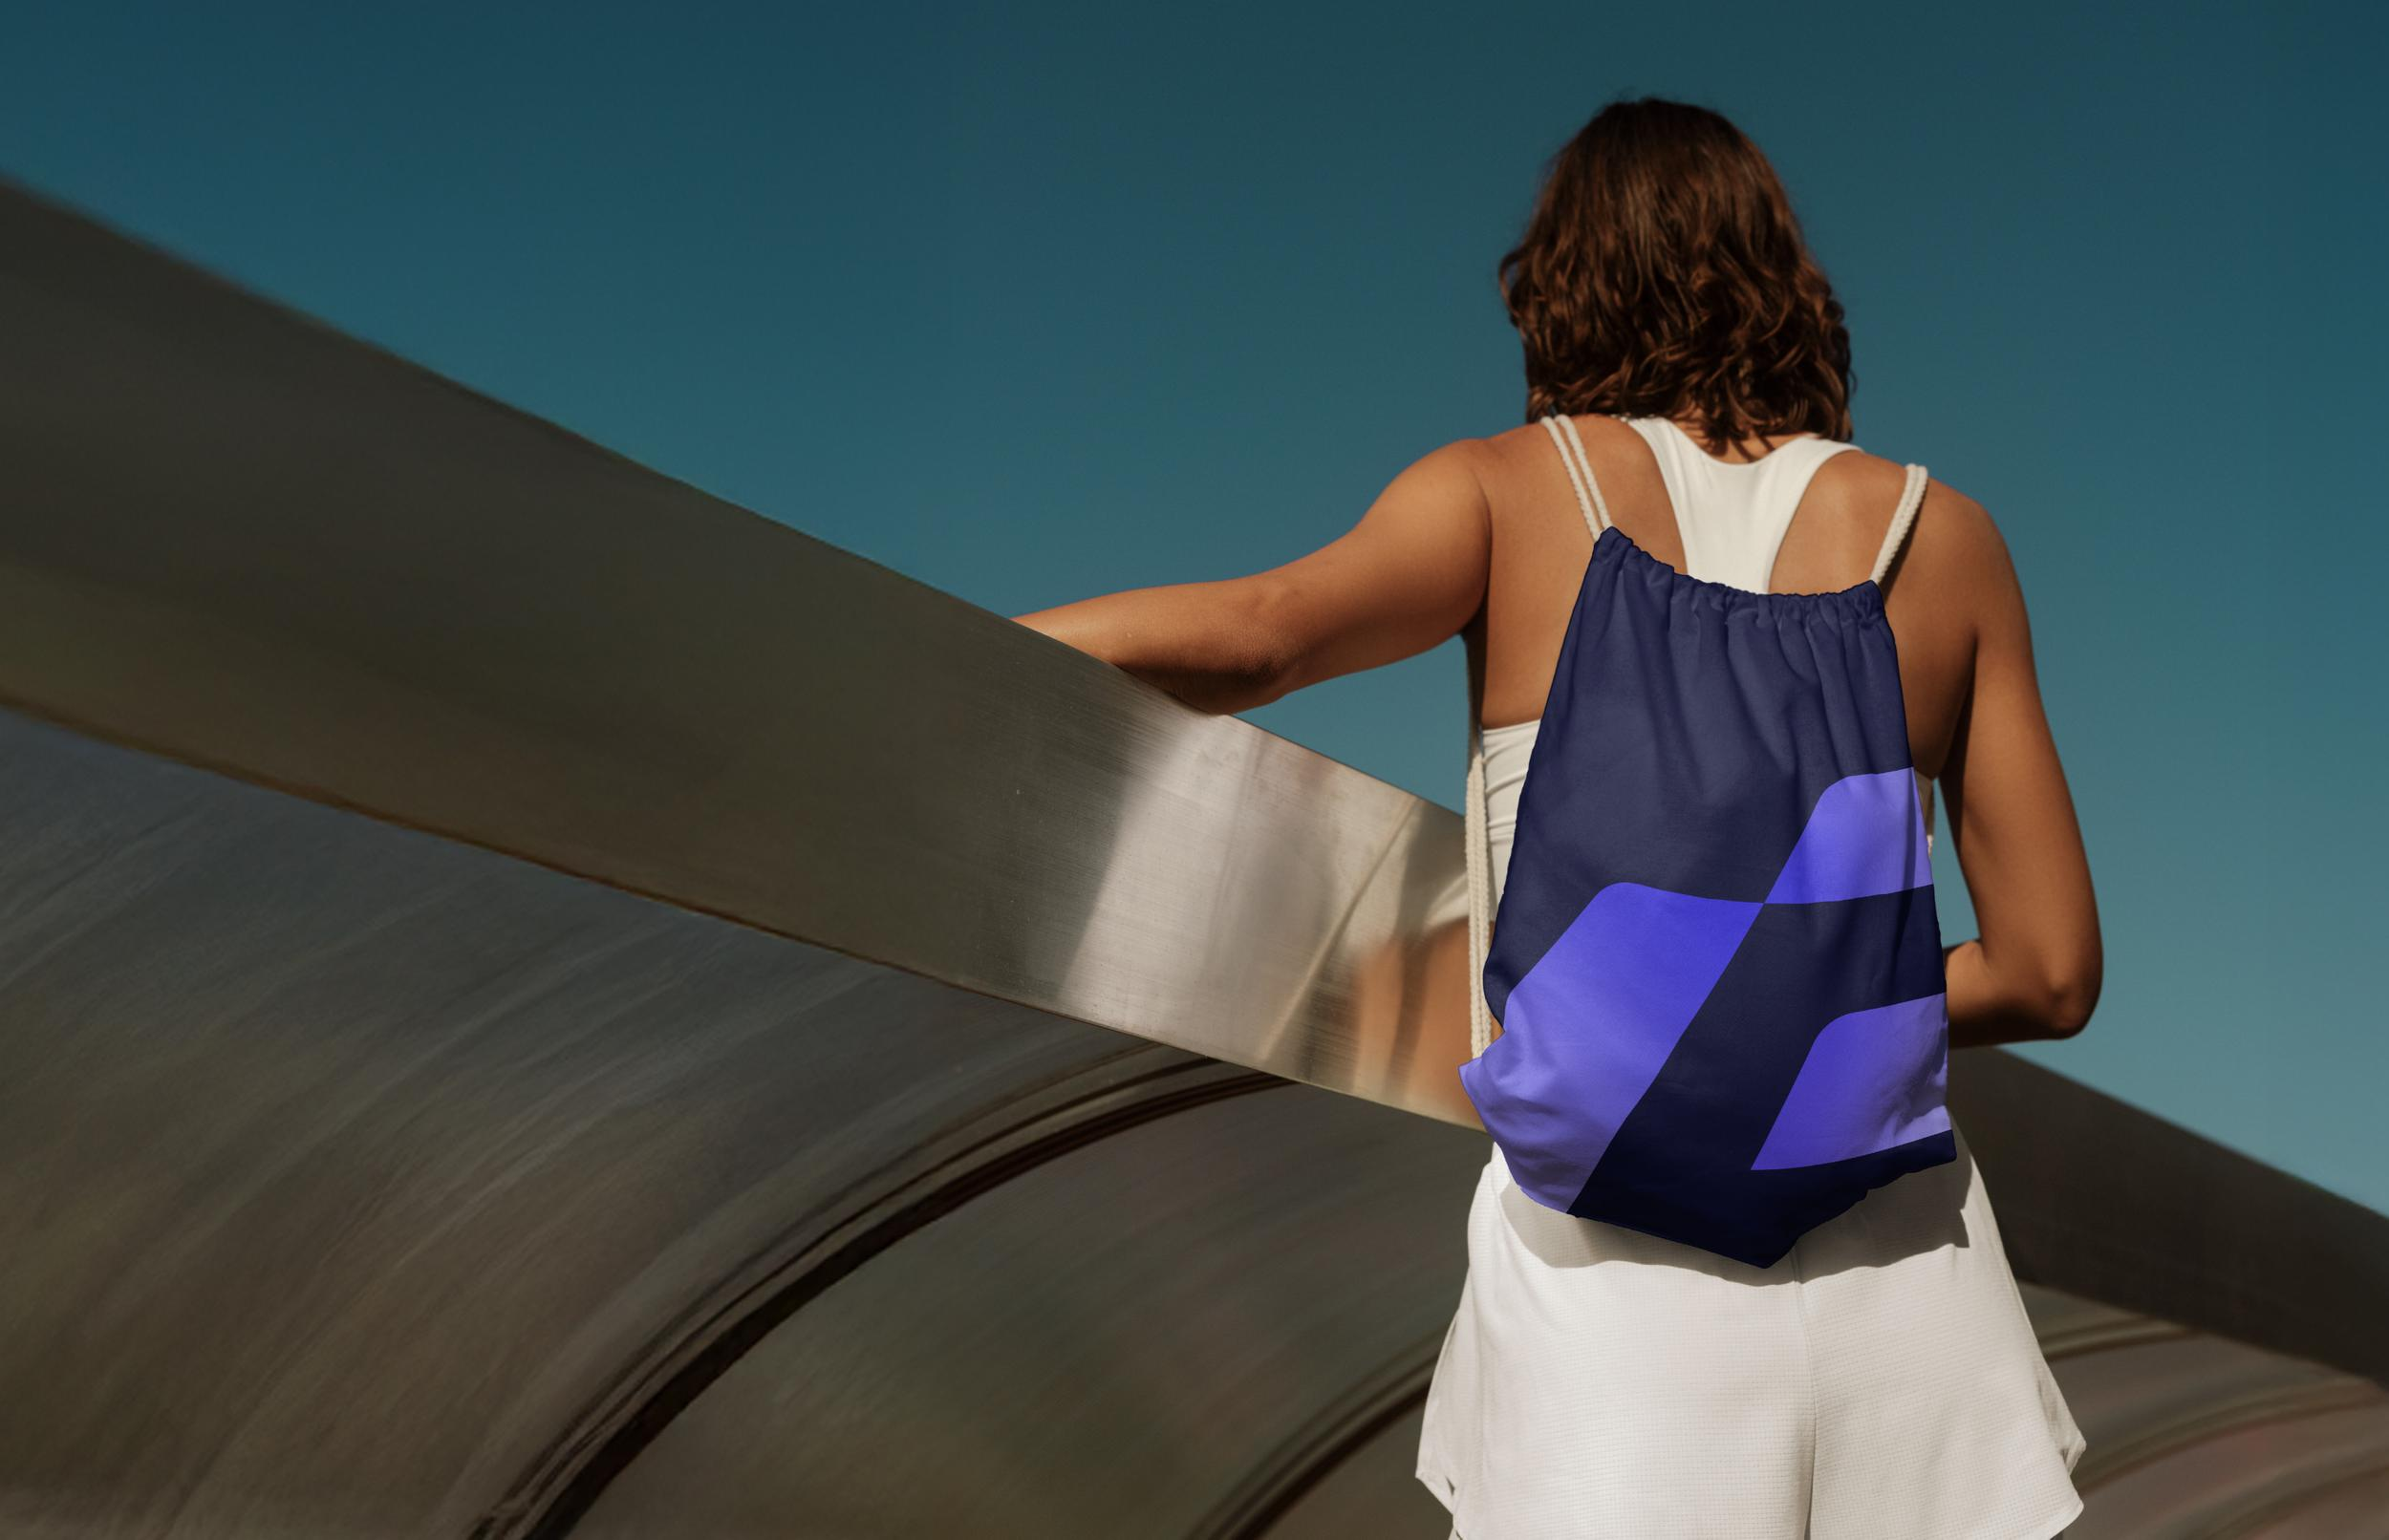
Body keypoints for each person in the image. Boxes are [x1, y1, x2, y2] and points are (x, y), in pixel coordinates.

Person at [1015, 95, 2098, 1540]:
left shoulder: (1510, 493)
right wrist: (1814, 998)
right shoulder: (1941, 539)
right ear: (1785, 283)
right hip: (1911, 1316)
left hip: (1613, 1322)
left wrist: (920, 643)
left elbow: (1257, 635)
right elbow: (2050, 970)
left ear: (1564, 288)